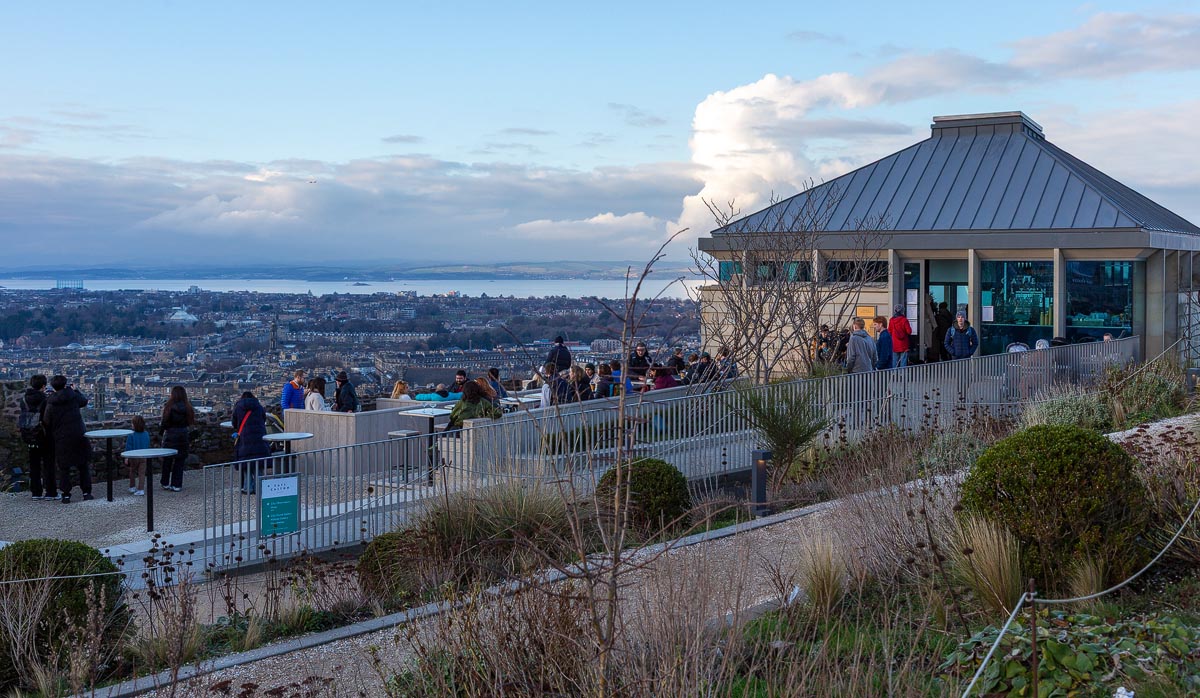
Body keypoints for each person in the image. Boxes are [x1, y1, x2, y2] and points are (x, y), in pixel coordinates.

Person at [43, 375, 91, 503]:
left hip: (61, 437)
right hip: (78, 434)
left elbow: (46, 421)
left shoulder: (51, 402)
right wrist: (75, 390)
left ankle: (66, 495)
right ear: (65, 385)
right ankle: (86, 492)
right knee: (83, 465)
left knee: (64, 467)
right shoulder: (73, 396)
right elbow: (84, 401)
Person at [19, 374, 54, 500]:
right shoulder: (45, 399)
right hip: (43, 434)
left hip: (29, 434)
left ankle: (36, 492)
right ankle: (50, 492)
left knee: (34, 465)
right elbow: (48, 418)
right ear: (43, 386)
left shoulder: (24, 399)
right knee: (48, 463)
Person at [232, 391, 270, 495]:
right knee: (258, 464)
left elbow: (234, 423)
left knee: (247, 465)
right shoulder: (258, 406)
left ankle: (248, 488)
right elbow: (263, 419)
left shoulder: (238, 407)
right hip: (259, 438)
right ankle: (260, 488)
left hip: (244, 439)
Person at [160, 385, 195, 492]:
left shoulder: (169, 406)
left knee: (167, 460)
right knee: (179, 461)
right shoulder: (188, 407)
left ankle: (165, 482)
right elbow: (191, 422)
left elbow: (164, 423)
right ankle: (176, 484)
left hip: (170, 434)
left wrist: (161, 432)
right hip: (183, 435)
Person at [124, 416, 150, 496]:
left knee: (132, 471)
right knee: (141, 473)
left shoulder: (131, 435)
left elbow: (128, 447)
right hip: (143, 456)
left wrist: (126, 457)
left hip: (133, 457)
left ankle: (132, 487)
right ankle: (141, 489)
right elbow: (147, 444)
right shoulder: (146, 434)